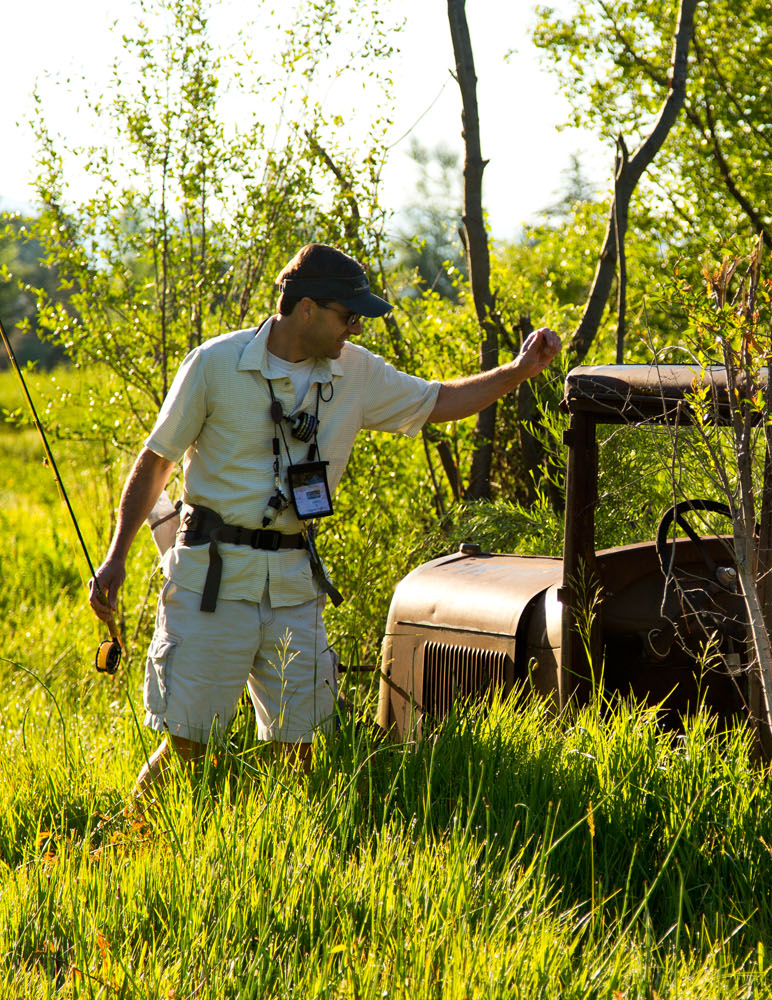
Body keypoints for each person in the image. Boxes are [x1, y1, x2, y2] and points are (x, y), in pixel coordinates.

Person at [87, 243, 561, 803]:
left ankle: (285, 853)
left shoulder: (355, 372)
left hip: (292, 581)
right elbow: (156, 462)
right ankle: (123, 840)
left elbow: (440, 401)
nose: (355, 327)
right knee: (190, 744)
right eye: (347, 315)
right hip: (211, 583)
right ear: (306, 308)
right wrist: (116, 555)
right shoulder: (215, 364)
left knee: (301, 745)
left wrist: (520, 370)